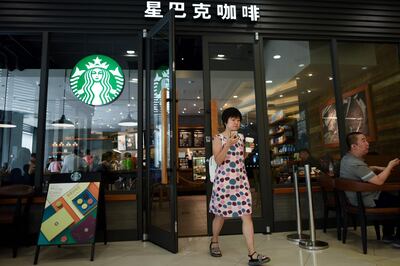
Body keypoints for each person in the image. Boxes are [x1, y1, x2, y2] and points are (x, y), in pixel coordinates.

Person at [209, 107, 270, 265]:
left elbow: (241, 158)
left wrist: (248, 150)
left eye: (238, 120)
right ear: (225, 122)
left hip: (241, 181)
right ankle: (214, 241)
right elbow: (218, 161)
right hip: (223, 183)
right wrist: (228, 144)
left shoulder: (242, 137)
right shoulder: (218, 138)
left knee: (247, 215)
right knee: (220, 215)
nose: (236, 123)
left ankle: (252, 254)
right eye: (233, 120)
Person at [340, 131, 400, 247]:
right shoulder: (355, 163)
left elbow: (363, 171)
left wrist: (376, 167)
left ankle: (388, 235)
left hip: (359, 197)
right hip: (367, 200)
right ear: (354, 146)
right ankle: (398, 239)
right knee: (395, 201)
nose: (367, 143)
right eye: (363, 141)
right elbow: (379, 181)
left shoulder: (347, 159)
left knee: (390, 198)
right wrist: (390, 166)